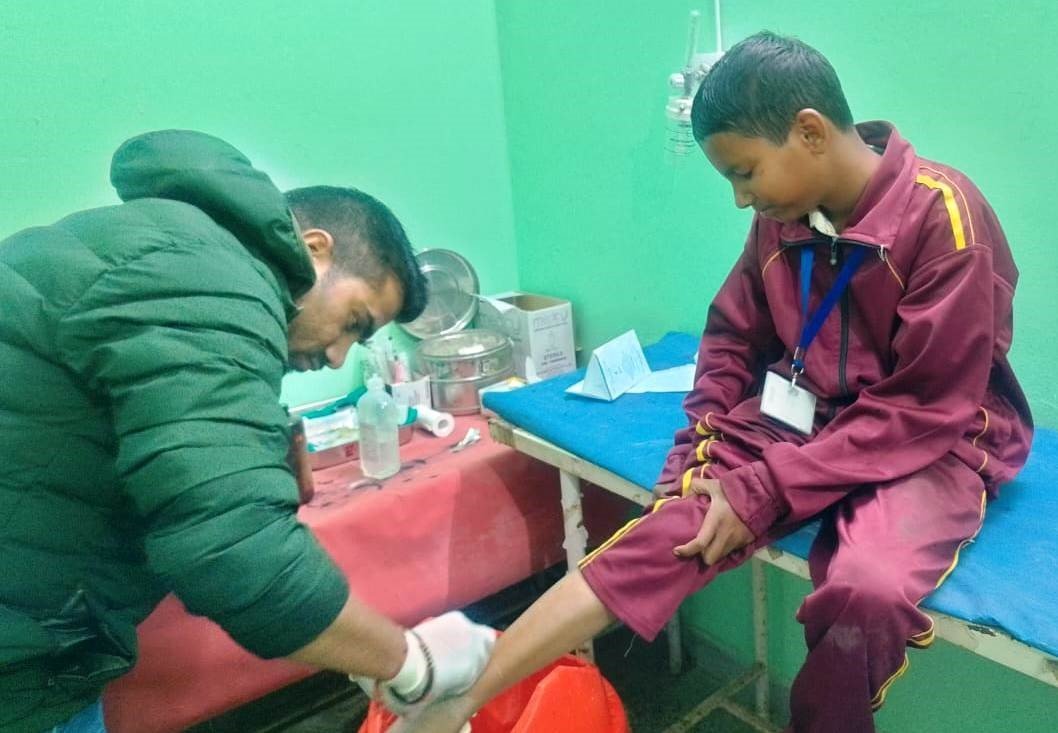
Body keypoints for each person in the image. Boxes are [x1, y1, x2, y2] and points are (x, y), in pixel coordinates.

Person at [390, 31, 1033, 733]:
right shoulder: (784, 216)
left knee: (867, 589)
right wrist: (691, 468)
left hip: (933, 438)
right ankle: (465, 693)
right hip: (808, 418)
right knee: (676, 529)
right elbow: (732, 339)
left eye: (745, 173)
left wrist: (764, 488)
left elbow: (924, 406)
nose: (739, 199)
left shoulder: (944, 217)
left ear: (810, 132)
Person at [0, 130, 494, 733]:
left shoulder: (172, 252)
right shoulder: (207, 277)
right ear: (314, 250)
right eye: (353, 322)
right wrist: (410, 663)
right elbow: (233, 550)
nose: (338, 357)